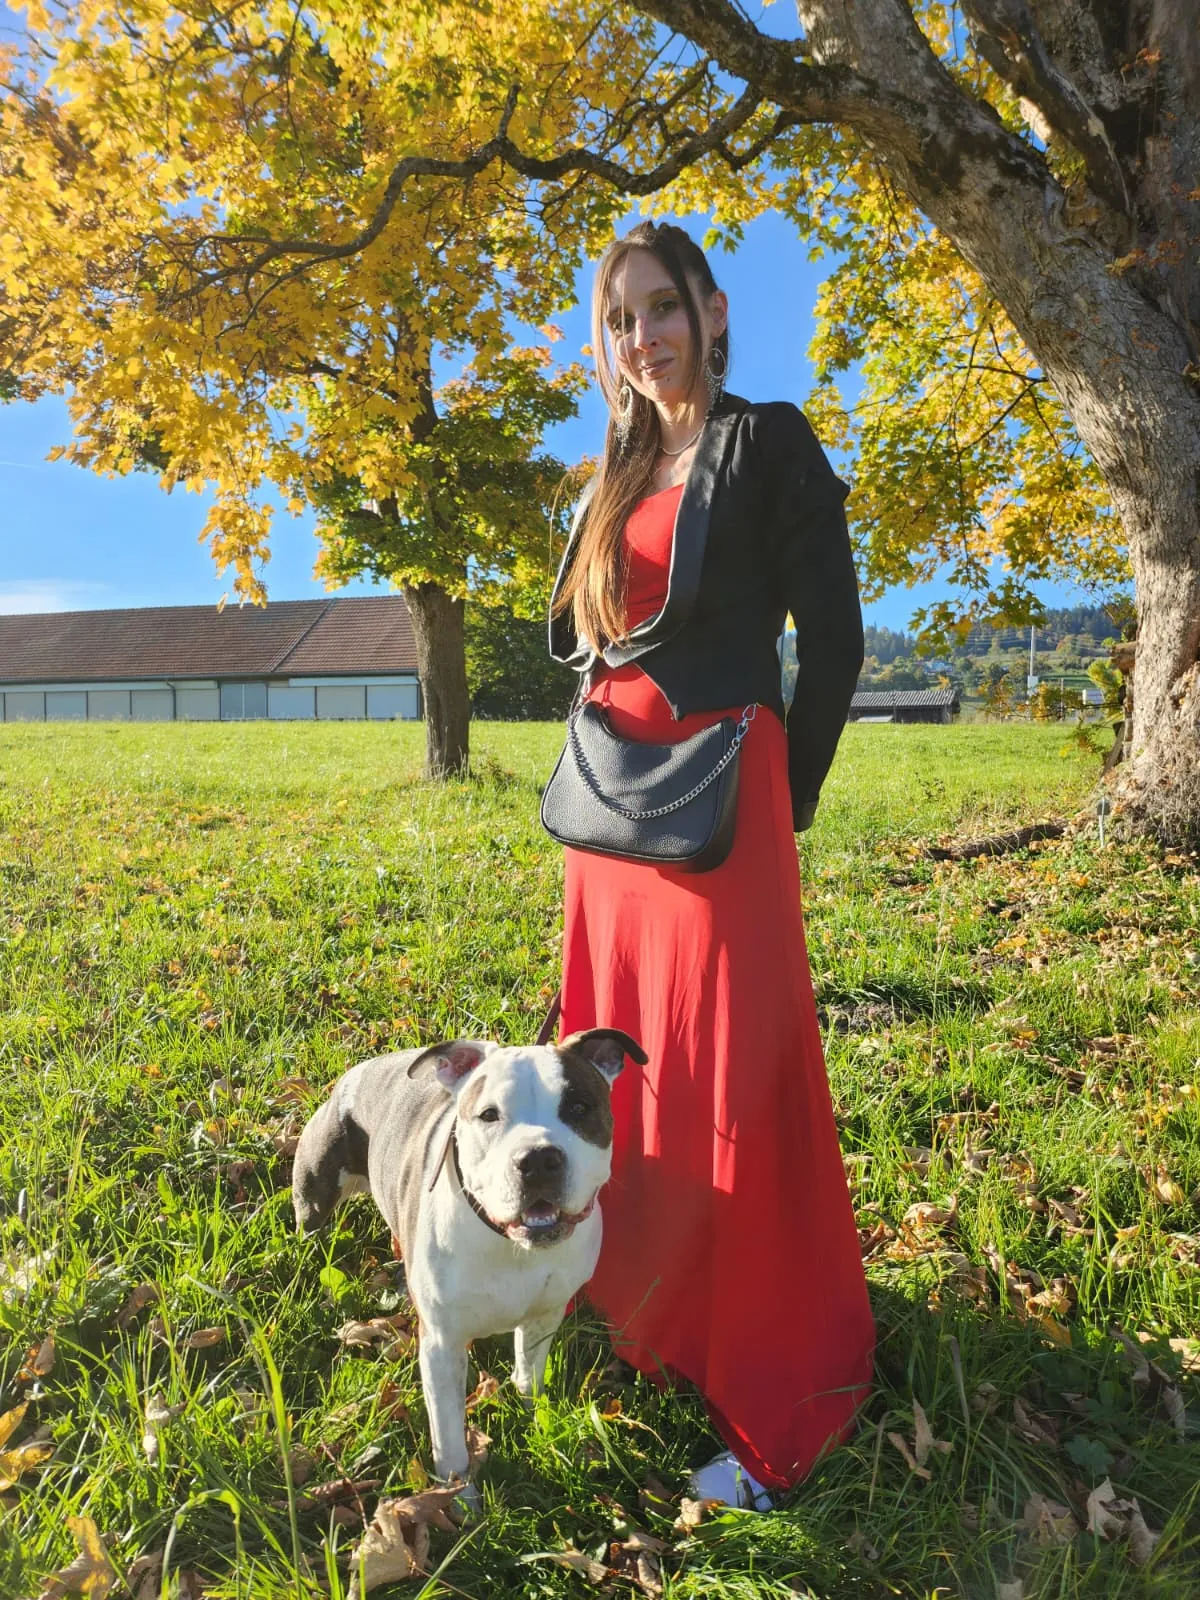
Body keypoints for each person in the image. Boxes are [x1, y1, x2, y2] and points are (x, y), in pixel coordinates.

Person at [547, 220, 874, 1509]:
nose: (645, 337)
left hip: (726, 803)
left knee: (735, 1073)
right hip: (614, 819)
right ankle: (649, 1312)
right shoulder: (614, 471)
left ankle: (773, 1378)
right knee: (623, 1062)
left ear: (714, 308)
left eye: (663, 307)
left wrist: (790, 795)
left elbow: (834, 641)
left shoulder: (767, 442)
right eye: (621, 319)